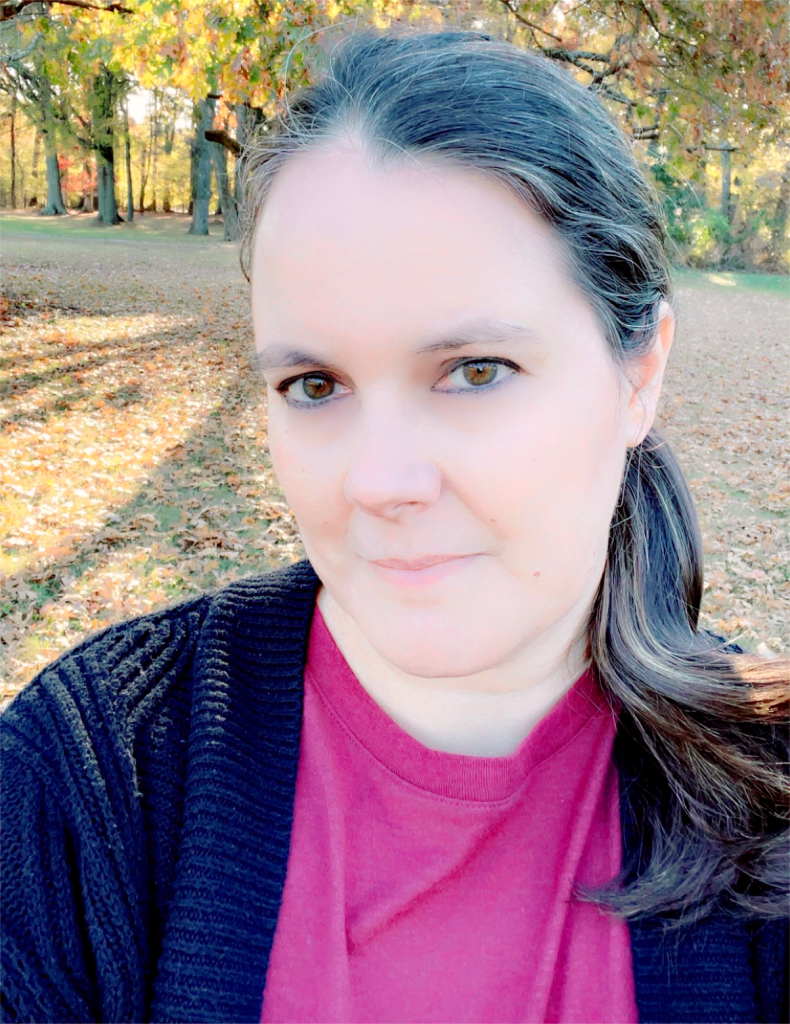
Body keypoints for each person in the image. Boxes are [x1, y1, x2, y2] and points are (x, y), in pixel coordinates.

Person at [1, 27, 787, 1024]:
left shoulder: (771, 806)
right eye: (314, 384)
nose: (379, 481)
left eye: (475, 371)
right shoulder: (89, 777)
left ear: (640, 374)